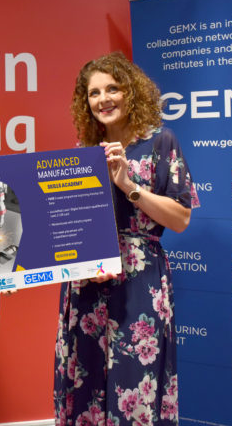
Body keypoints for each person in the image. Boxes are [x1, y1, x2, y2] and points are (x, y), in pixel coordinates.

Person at [55, 52, 198, 425]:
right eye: (94, 93)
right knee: (84, 383)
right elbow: (67, 227)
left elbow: (181, 218)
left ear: (130, 92)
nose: (103, 99)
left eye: (112, 89)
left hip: (140, 282)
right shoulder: (81, 155)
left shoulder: (161, 143)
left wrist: (129, 185)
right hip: (86, 285)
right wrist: (80, 261)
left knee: (137, 383)